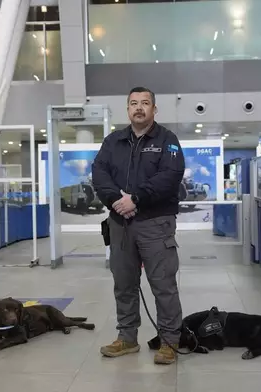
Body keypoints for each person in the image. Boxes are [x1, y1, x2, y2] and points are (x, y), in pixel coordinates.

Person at [91, 86, 185, 365]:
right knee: (124, 284)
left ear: (154, 109)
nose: (139, 108)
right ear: (128, 109)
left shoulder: (167, 140)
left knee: (163, 284)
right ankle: (127, 337)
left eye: (145, 103)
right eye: (134, 103)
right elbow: (99, 172)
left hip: (155, 223)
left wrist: (136, 199)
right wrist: (116, 200)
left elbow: (170, 176)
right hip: (120, 224)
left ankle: (169, 340)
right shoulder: (113, 141)